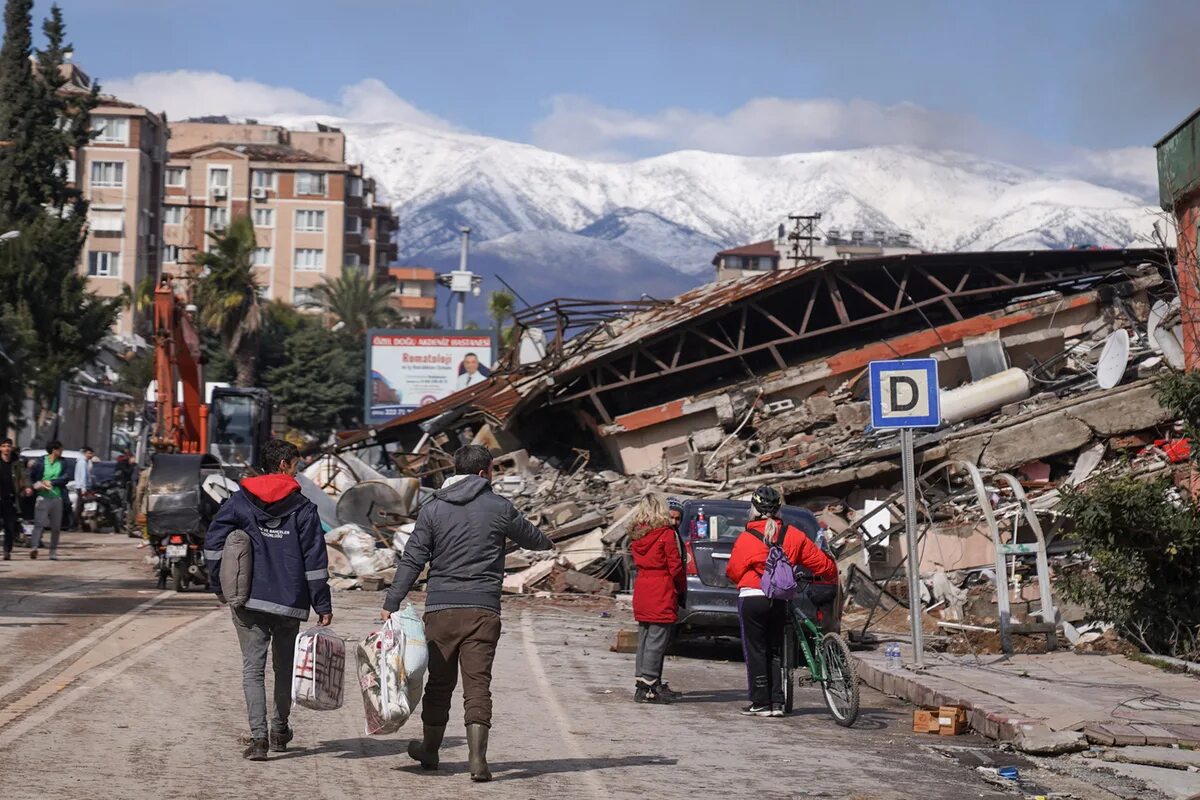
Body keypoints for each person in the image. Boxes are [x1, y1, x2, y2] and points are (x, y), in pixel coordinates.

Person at [380, 444, 551, 782]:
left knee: (439, 684)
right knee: (478, 685)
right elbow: (537, 540)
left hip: (441, 609)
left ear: (455, 469)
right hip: (483, 609)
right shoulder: (500, 506)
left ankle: (430, 751)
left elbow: (413, 558)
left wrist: (392, 601)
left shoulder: (433, 508)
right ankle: (477, 761)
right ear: (486, 471)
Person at [204, 439, 333, 761]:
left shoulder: (239, 501)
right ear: (284, 465)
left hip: (247, 599)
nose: (298, 471)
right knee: (284, 667)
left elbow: (213, 546)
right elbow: (315, 561)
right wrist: (323, 604)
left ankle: (259, 739)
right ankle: (279, 730)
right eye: (296, 465)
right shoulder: (303, 508)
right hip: (290, 600)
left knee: (253, 670)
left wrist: (219, 586)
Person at [725, 485, 836, 718]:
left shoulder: (746, 538)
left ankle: (760, 702)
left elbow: (733, 571)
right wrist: (822, 576)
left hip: (752, 598)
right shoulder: (794, 535)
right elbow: (824, 565)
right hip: (780, 599)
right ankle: (777, 702)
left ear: (753, 510)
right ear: (779, 510)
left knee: (756, 650)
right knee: (776, 649)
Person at [629, 493, 686, 704]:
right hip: (661, 588)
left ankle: (641, 684)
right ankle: (650, 685)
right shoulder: (666, 534)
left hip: (643, 587)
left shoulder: (638, 534)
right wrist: (679, 588)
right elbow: (675, 566)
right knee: (657, 640)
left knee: (644, 639)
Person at [28, 441, 70, 560]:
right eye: (60, 449)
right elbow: (31, 477)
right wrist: (37, 485)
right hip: (42, 497)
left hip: (57, 497)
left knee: (56, 527)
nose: (62, 451)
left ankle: (53, 551)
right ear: (54, 450)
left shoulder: (62, 462)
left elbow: (65, 478)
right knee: (39, 524)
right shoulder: (41, 462)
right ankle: (34, 547)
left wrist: (52, 482)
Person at [0, 439, 29, 561]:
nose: (6, 448)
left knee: (10, 526)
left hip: (11, 499)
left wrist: (26, 487)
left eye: (9, 446)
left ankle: (7, 551)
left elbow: (23, 476)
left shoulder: (16, 463)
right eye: (4, 446)